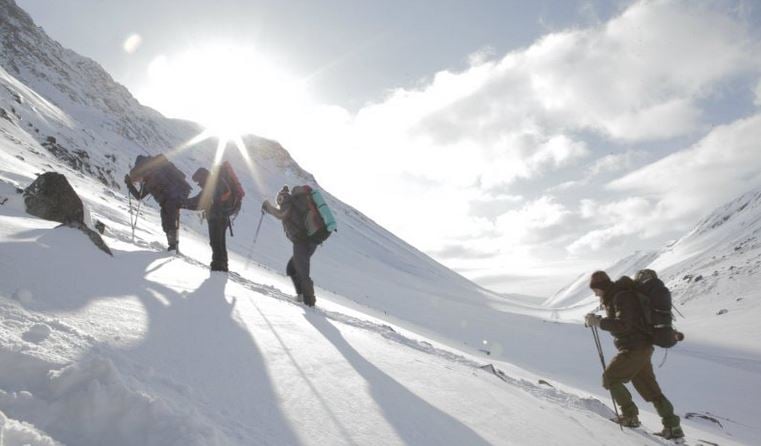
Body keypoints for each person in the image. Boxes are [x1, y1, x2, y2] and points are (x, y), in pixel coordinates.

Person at [585, 271, 684, 440]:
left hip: (634, 349)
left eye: (595, 290)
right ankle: (672, 426)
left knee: (610, 378)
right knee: (650, 388)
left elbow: (624, 325)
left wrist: (599, 322)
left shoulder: (621, 297)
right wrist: (600, 319)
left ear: (601, 287)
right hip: (641, 348)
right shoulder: (617, 296)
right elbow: (627, 321)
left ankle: (630, 417)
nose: (595, 294)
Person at [262, 186, 319, 307]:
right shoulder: (294, 202)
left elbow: (282, 214)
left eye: (279, 199)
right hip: (308, 241)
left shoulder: (286, 200)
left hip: (302, 241)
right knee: (292, 268)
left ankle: (309, 301)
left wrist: (268, 207)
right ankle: (302, 296)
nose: (279, 201)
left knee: (302, 271)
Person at [125, 154, 190, 251]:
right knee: (167, 223)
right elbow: (140, 196)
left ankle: (173, 247)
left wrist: (130, 184)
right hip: (172, 197)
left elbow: (140, 195)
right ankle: (173, 246)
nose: (138, 181)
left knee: (170, 221)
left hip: (173, 196)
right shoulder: (148, 179)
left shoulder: (152, 174)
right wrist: (130, 185)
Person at [182, 167, 232, 272]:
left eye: (199, 181)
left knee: (215, 242)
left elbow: (198, 202)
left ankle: (217, 267)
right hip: (224, 217)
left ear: (203, 177)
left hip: (216, 218)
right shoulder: (217, 183)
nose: (199, 184)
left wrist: (181, 203)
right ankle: (223, 266)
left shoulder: (211, 187)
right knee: (221, 243)